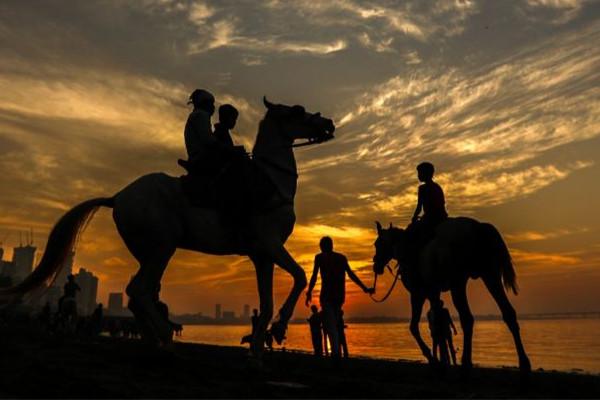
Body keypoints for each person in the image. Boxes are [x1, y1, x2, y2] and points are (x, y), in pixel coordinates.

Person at [305, 236, 374, 364]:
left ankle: (335, 356)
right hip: (339, 297)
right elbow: (351, 275)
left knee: (331, 327)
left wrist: (309, 292)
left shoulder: (320, 258)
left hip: (328, 297)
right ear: (331, 246)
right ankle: (335, 355)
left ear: (322, 247)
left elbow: (314, 277)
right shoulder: (341, 258)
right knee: (333, 326)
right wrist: (364, 288)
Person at [427, 299, 457, 365]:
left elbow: (449, 320)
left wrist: (454, 328)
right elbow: (449, 320)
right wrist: (453, 328)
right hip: (443, 332)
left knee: (446, 347)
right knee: (446, 347)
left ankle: (449, 361)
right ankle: (450, 361)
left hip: (444, 332)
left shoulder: (440, 311)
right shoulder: (438, 312)